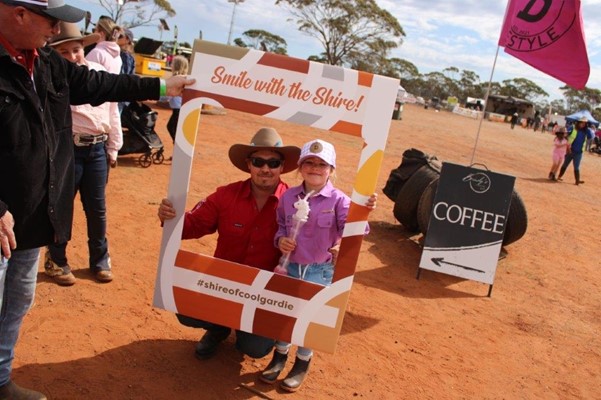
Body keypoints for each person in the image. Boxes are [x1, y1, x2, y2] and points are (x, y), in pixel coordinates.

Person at [0, 1, 194, 397]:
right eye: (50, 20)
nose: (56, 30)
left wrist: (160, 86)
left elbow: (99, 84)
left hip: (33, 216)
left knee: (17, 302)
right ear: (19, 14)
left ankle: (0, 378)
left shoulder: (48, 64)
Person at [157, 128, 301, 361]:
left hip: (264, 293)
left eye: (273, 162)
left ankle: (252, 330)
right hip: (223, 285)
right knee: (185, 309)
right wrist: (170, 217)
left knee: (255, 348)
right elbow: (191, 226)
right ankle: (218, 328)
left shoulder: (297, 204)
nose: (266, 168)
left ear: (282, 167)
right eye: (258, 161)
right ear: (249, 165)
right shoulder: (225, 196)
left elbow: (320, 234)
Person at [261, 139, 376, 392]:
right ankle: (279, 357)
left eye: (321, 164)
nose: (315, 168)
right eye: (309, 163)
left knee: (310, 318)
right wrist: (280, 240)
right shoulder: (289, 196)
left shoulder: (339, 200)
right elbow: (281, 225)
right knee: (285, 313)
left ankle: (302, 362)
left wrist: (361, 213)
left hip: (319, 271)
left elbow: (357, 229)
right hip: (289, 267)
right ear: (300, 167)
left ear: (331, 169)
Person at [42, 22, 122, 286]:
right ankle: (56, 260)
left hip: (97, 149)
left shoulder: (97, 73)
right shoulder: (52, 79)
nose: (72, 56)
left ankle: (100, 260)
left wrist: (113, 146)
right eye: (63, 52)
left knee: (97, 208)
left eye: (75, 50)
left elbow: (112, 111)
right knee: (61, 206)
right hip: (67, 150)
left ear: (84, 49)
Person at [557, 116, 595, 185]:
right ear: (578, 122)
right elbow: (565, 134)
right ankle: (559, 176)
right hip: (570, 150)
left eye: (585, 123)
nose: (583, 124)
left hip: (579, 152)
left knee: (576, 167)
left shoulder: (586, 130)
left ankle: (577, 181)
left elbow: (591, 137)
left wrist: (588, 129)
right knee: (565, 164)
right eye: (582, 123)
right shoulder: (573, 128)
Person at [166, 55, 189, 144]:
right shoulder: (184, 78)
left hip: (178, 109)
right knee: (173, 128)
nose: (171, 65)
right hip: (180, 109)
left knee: (172, 128)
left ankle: (178, 149)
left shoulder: (176, 79)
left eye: (172, 64)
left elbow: (168, 95)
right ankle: (177, 148)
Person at [117, 27, 135, 113]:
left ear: (127, 39)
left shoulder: (125, 56)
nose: (117, 38)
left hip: (119, 95)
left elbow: (125, 77)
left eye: (120, 36)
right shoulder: (124, 55)